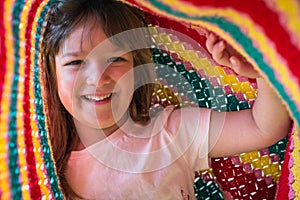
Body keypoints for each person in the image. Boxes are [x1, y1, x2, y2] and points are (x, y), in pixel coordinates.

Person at [41, 0, 291, 199]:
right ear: (50, 74)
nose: (98, 78)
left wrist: (264, 71)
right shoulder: (43, 170)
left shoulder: (170, 132)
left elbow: (262, 127)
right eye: (75, 62)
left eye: (116, 58)